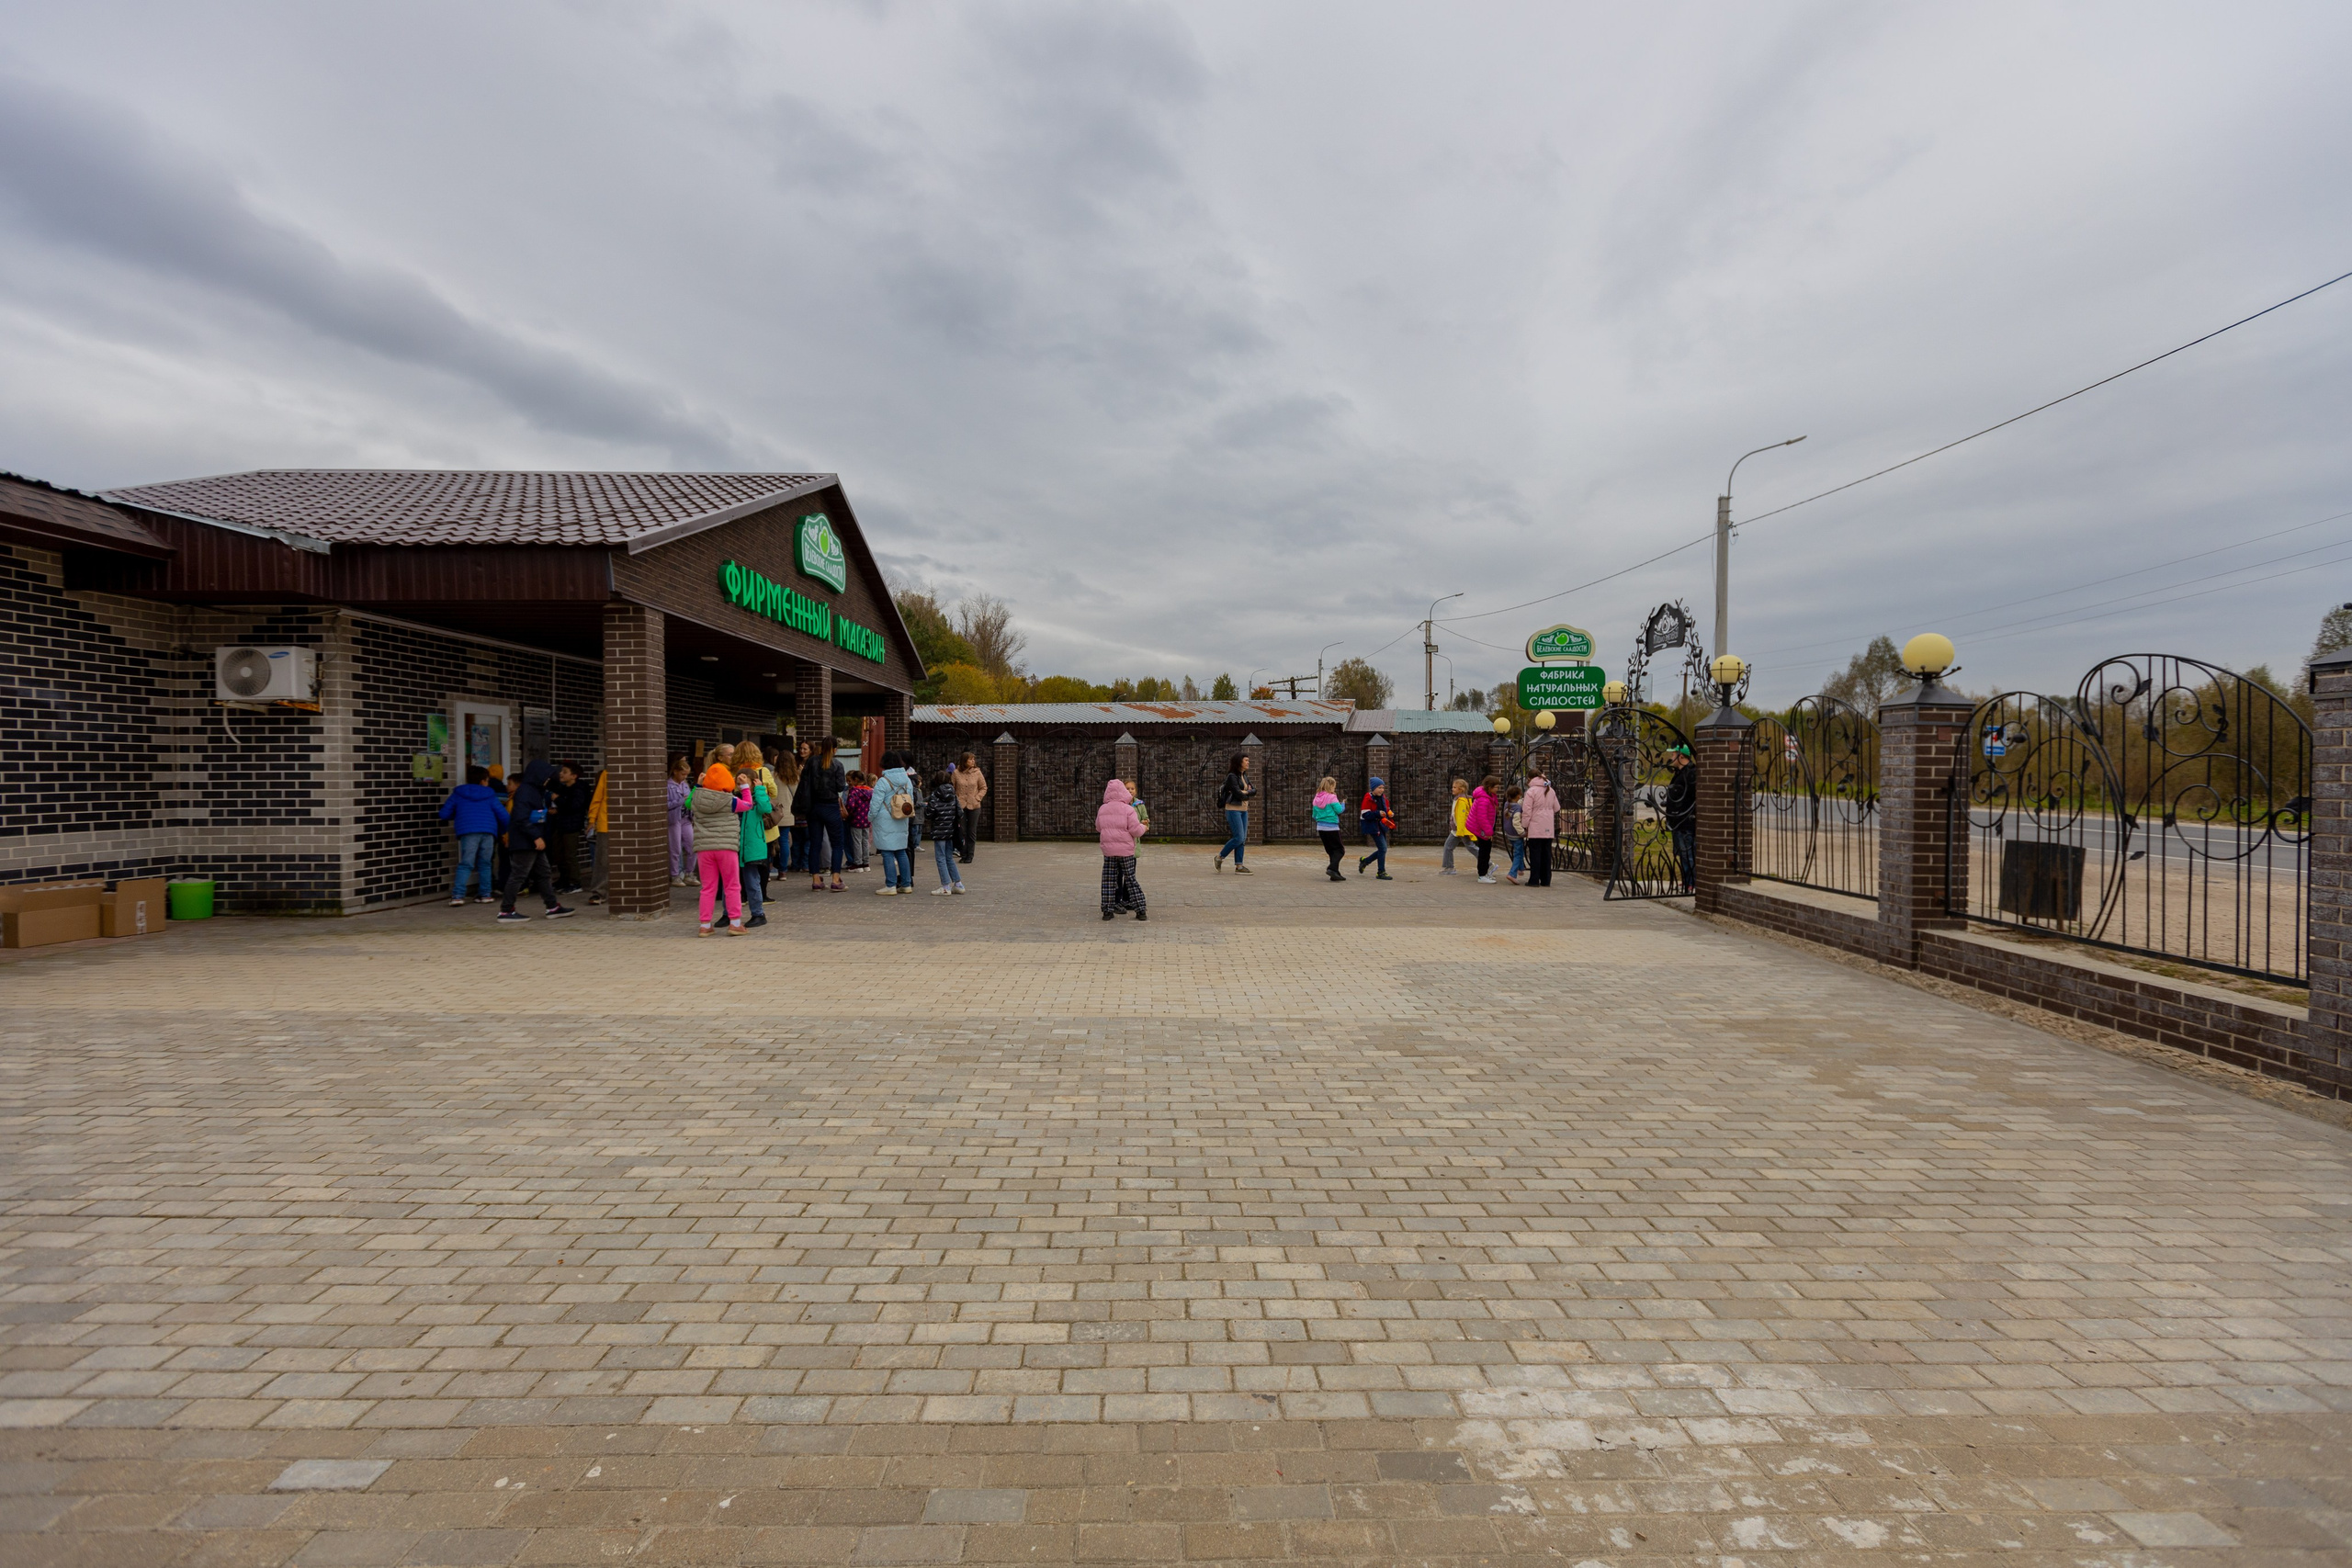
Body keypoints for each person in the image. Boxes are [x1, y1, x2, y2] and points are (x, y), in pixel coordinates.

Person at [496, 759, 575, 921]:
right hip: (525, 841)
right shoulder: (527, 792)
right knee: (519, 874)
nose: (549, 779)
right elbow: (520, 818)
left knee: (544, 873)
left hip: (531, 841)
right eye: (546, 776)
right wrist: (536, 837)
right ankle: (505, 911)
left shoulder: (535, 790)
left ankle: (552, 907)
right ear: (538, 776)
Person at [690, 753, 752, 935]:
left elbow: (688, 802)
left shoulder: (696, 799)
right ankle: (735, 923)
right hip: (726, 847)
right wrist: (745, 786)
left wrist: (698, 786)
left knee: (708, 887)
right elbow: (748, 805)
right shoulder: (730, 801)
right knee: (732, 885)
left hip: (704, 849)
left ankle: (705, 926)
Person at [438, 763, 507, 905]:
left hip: (468, 832)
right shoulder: (490, 795)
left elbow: (444, 814)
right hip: (488, 832)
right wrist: (504, 830)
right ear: (483, 781)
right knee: (485, 864)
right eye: (487, 780)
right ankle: (485, 894)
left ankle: (457, 896)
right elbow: (504, 816)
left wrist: (460, 817)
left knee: (466, 864)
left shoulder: (458, 794)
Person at [732, 741, 777, 928]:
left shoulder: (757, 798)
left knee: (752, 882)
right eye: (739, 780)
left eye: (745, 781)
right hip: (737, 846)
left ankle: (758, 913)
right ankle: (731, 914)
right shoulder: (735, 799)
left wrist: (759, 789)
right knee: (735, 883)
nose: (741, 784)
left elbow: (766, 808)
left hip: (752, 846)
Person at [1097, 777, 1148, 920]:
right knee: (1130, 879)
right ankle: (1141, 910)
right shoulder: (1128, 809)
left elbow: (1098, 827)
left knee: (1108, 880)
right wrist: (1144, 827)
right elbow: (1135, 831)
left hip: (1108, 851)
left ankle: (1107, 911)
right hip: (1126, 852)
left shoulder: (1102, 809)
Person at [869, 750, 917, 895]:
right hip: (901, 819)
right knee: (901, 851)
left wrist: (870, 817)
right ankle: (906, 884)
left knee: (887, 852)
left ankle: (890, 885)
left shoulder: (883, 781)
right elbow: (911, 801)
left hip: (885, 821)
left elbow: (875, 804)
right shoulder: (907, 780)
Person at [806, 739, 847, 893]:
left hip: (814, 806)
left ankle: (816, 879)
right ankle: (835, 879)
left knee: (815, 843)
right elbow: (840, 786)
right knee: (837, 843)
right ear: (835, 749)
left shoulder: (812, 762)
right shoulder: (837, 765)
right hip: (830, 806)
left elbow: (806, 782)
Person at [546, 761, 589, 893]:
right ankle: (563, 880)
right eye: (561, 771)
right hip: (561, 824)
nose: (561, 774)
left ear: (574, 776)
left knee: (570, 855)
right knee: (558, 854)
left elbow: (573, 806)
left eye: (565, 772)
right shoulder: (564, 788)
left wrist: (557, 800)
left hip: (572, 826)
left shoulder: (579, 789)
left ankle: (575, 883)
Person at [924, 769, 966, 895]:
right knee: (949, 857)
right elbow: (960, 812)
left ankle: (946, 886)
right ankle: (958, 884)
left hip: (939, 830)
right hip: (951, 830)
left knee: (940, 858)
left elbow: (929, 814)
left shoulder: (934, 795)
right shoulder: (953, 795)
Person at [1664, 747, 1699, 892]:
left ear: (1681, 756)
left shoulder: (1691, 774)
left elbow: (1693, 799)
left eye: (1673, 754)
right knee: (1682, 854)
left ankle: (1692, 883)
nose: (1671, 757)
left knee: (1688, 855)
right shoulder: (1680, 774)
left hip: (1686, 823)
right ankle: (1686, 881)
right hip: (1677, 822)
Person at [1214, 753, 1255, 874]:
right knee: (1238, 837)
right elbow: (1238, 794)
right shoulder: (1232, 776)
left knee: (1242, 839)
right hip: (1233, 809)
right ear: (1239, 762)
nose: (1248, 762)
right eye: (1246, 760)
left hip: (1244, 810)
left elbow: (1254, 790)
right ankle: (1219, 857)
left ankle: (1239, 866)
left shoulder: (1245, 776)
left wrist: (1246, 791)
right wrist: (1246, 792)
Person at [1521, 768, 1560, 888]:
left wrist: (1524, 825)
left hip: (1536, 825)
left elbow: (1527, 811)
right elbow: (1557, 807)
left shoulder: (1531, 791)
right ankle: (1546, 880)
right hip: (1548, 826)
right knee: (1546, 853)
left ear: (1530, 778)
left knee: (1535, 853)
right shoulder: (1551, 790)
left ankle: (1534, 880)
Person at [1356, 777, 1396, 881]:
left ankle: (1365, 861)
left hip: (1381, 825)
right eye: (1379, 788)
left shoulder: (1383, 798)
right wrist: (1377, 813)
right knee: (1383, 849)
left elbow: (1386, 808)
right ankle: (1381, 872)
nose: (1381, 790)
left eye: (1383, 788)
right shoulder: (1368, 799)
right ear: (1373, 788)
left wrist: (1389, 812)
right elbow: (1365, 814)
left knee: (1382, 849)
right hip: (1373, 826)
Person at [953, 753, 987, 864]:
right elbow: (951, 788)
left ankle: (970, 855)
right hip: (960, 806)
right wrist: (956, 800)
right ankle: (963, 853)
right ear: (964, 761)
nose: (973, 761)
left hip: (974, 805)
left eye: (974, 759)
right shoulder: (956, 773)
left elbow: (983, 787)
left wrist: (977, 798)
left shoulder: (977, 772)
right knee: (962, 831)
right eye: (970, 759)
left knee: (971, 831)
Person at [1311, 776, 1348, 880]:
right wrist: (1343, 804)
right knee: (1340, 850)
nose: (1334, 789)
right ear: (1331, 786)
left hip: (1321, 827)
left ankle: (1335, 874)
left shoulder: (1316, 798)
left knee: (1331, 850)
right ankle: (1332, 869)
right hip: (1332, 827)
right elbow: (1339, 810)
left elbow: (1314, 815)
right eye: (1334, 786)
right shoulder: (1332, 797)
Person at [666, 756, 695, 886]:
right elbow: (666, 805)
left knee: (693, 846)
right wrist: (681, 800)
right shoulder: (668, 785)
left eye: (686, 774)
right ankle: (675, 875)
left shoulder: (685, 785)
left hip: (686, 818)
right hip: (674, 819)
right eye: (683, 774)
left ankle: (689, 873)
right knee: (675, 848)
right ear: (675, 772)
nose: (684, 777)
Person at [584, 765, 611, 906]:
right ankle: (599, 892)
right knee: (602, 860)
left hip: (629, 823)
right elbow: (597, 798)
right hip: (606, 822)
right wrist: (592, 820)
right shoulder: (606, 774)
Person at [1465, 775, 1499, 883]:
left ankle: (1484, 873)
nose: (1497, 790)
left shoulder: (1488, 797)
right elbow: (1482, 818)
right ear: (1489, 787)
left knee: (1485, 851)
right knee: (1484, 852)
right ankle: (1482, 874)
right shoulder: (1484, 800)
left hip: (1485, 828)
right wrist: (1488, 832)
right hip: (1483, 829)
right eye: (1496, 787)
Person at [845, 770, 874, 871]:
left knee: (857, 842)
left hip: (856, 819)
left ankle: (858, 864)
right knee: (865, 841)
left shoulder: (854, 791)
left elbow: (850, 806)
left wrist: (848, 814)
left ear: (855, 780)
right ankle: (866, 863)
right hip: (867, 819)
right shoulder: (870, 791)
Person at [1442, 779, 1470, 874]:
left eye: (1455, 787)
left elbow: (1461, 817)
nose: (1452, 789)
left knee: (1471, 847)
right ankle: (1449, 867)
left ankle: (1488, 863)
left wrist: (1460, 829)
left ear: (1461, 789)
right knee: (1448, 846)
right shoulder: (1457, 799)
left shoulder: (1461, 800)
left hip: (1460, 829)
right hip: (1456, 829)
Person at [1501, 784, 1526, 886]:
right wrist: (1522, 832)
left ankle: (1521, 868)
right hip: (1516, 834)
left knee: (1519, 851)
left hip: (1509, 833)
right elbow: (1516, 822)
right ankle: (1512, 873)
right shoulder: (1517, 809)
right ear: (1518, 796)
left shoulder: (1507, 804)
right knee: (1518, 854)